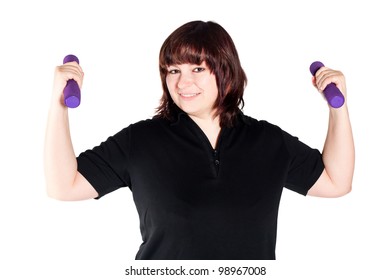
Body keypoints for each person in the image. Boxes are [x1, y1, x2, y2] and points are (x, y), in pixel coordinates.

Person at [44, 20, 355, 260]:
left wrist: (338, 109)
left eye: (197, 68)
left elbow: (335, 182)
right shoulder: (141, 140)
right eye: (173, 70)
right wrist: (58, 103)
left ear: (227, 73)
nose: (183, 82)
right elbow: (64, 185)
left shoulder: (268, 141)